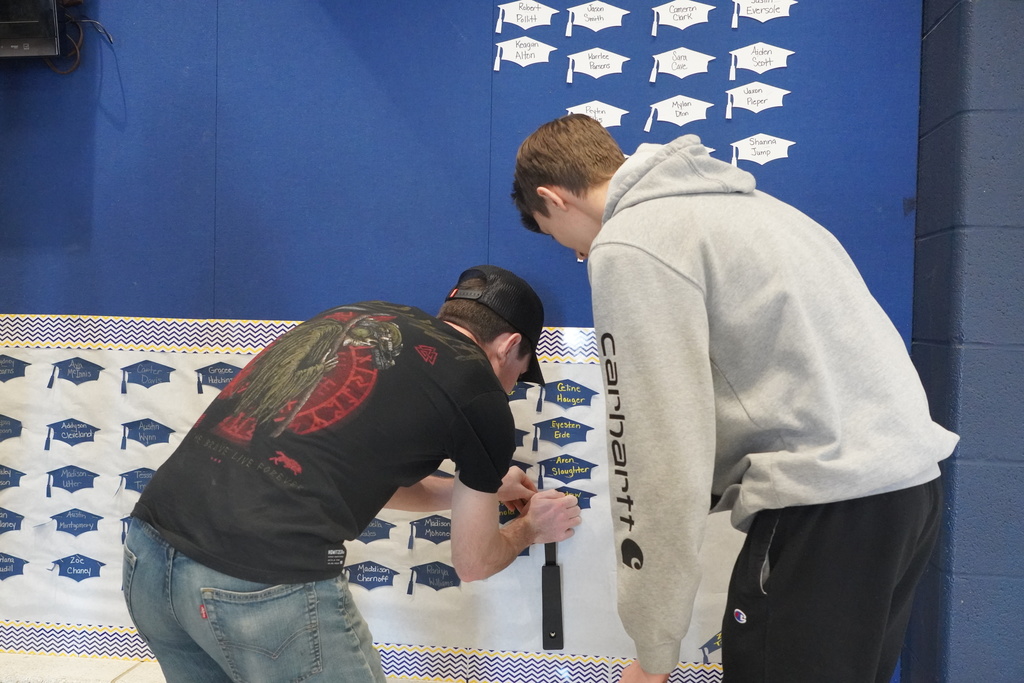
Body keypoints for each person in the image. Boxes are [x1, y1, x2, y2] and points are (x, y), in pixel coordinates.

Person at [511, 114, 959, 683]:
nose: (580, 256)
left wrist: (654, 648)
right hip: (906, 493)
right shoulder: (763, 210)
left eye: (562, 241)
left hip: (823, 510)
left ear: (552, 198)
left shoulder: (630, 241)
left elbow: (659, 449)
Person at [122, 265, 582, 683]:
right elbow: (473, 561)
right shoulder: (481, 392)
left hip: (147, 556)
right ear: (510, 345)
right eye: (520, 374)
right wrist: (530, 528)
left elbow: (353, 473)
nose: (511, 388)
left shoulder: (358, 316)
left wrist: (474, 493)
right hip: (260, 580)